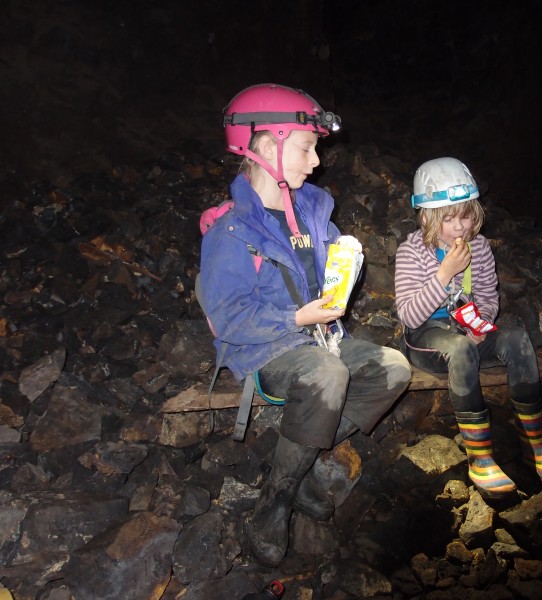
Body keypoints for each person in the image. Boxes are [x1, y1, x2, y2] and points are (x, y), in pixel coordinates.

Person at [196, 84, 412, 566]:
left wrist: (346, 265)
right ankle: (275, 499)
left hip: (321, 337)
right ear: (265, 146)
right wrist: (295, 317)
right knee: (327, 374)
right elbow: (228, 317)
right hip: (264, 348)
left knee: (394, 370)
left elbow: (331, 278)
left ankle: (299, 462)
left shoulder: (311, 210)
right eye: (306, 148)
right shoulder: (232, 230)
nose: (316, 162)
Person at [394, 157, 542, 498]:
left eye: (465, 216)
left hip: (466, 328)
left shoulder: (479, 247)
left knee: (516, 338)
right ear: (428, 216)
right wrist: (445, 274)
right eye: (448, 219)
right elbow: (410, 317)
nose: (459, 227)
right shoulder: (410, 252)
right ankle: (481, 458)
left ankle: (537, 447)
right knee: (459, 348)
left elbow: (489, 297)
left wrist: (482, 324)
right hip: (427, 338)